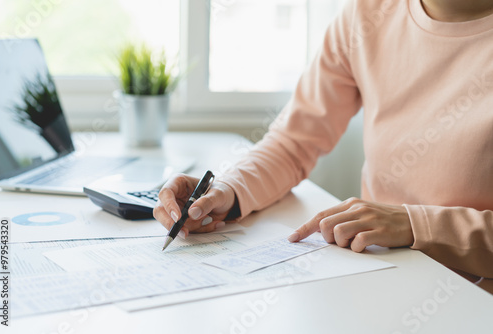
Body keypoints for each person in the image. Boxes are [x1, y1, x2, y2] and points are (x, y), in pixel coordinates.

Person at [154, 0, 493, 293]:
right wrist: (228, 191)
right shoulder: (367, 14)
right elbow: (292, 143)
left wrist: (416, 225)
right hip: (379, 274)